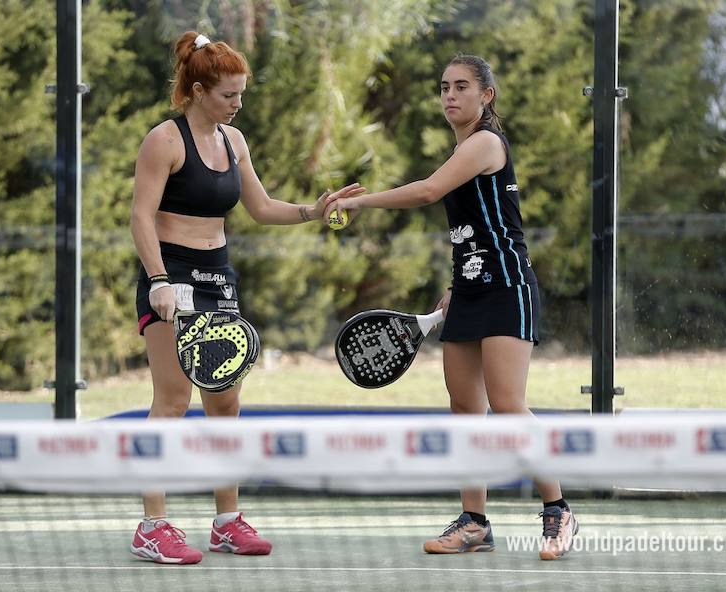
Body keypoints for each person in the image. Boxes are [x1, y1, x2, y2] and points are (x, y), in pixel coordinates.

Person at [325, 54, 578, 560]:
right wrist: (456, 283)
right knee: (466, 409)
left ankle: (559, 509)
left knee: (507, 406)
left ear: (487, 96)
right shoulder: (464, 147)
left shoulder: (485, 143)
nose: (449, 95)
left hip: (508, 288)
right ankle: (474, 522)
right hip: (468, 291)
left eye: (462, 86)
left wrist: (358, 201)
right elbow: (474, 231)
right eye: (443, 87)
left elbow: (428, 191)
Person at [129, 32, 364, 565]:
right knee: (172, 401)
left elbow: (258, 208)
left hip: (219, 277)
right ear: (197, 90)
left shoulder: (235, 143)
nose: (238, 104)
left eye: (241, 95)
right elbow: (141, 216)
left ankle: (226, 522)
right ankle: (152, 525)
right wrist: (159, 279)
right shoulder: (164, 140)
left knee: (225, 402)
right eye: (229, 95)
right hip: (170, 275)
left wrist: (312, 209)